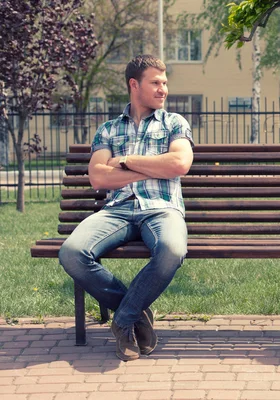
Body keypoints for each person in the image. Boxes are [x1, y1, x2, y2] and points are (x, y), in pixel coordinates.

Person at [58, 54, 194, 361]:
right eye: (156, 83)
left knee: (172, 250)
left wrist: (126, 161)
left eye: (165, 83)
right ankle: (135, 313)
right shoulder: (107, 129)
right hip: (116, 210)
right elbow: (97, 176)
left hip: (162, 209)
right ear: (134, 85)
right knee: (71, 252)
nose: (164, 90)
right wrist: (152, 168)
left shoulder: (174, 123)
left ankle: (122, 319)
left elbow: (179, 163)